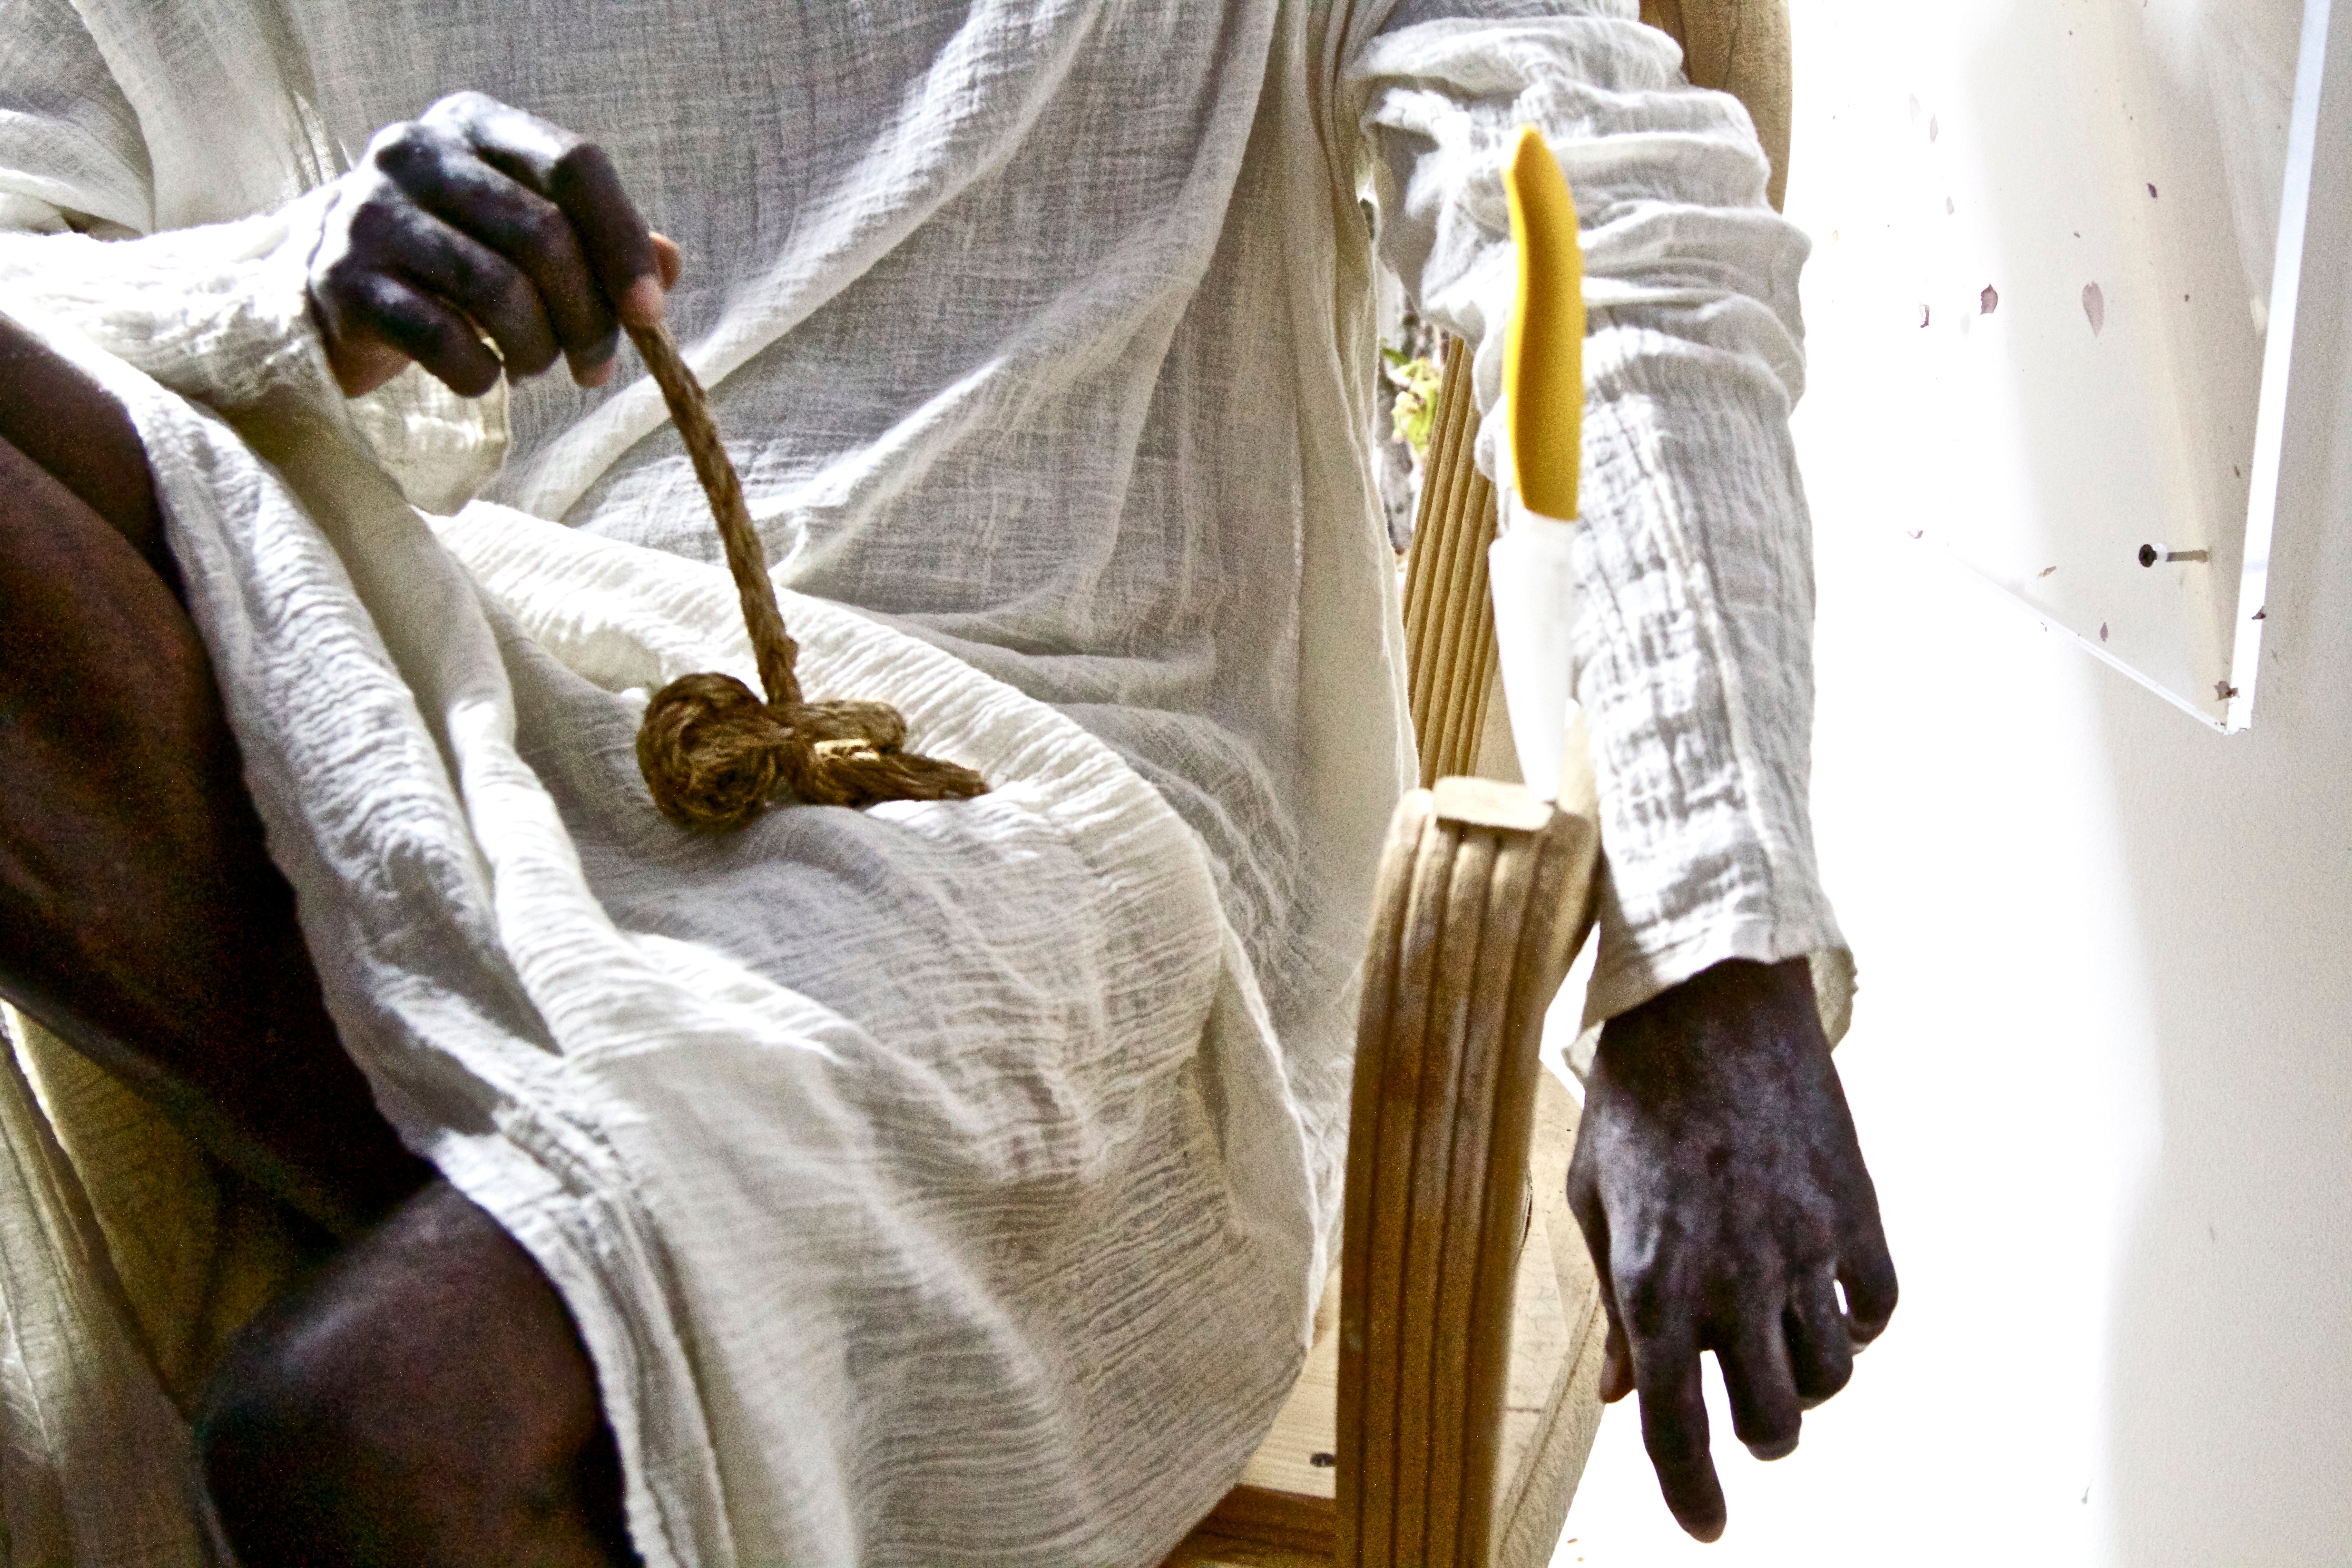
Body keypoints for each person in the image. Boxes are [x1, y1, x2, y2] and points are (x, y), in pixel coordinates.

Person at [0, 0, 1894, 1562]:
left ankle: (540, 1206)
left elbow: (1607, 235)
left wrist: (1705, 943)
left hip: (1024, 824)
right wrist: (292, 281)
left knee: (355, 1427)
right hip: (456, 681)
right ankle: (570, 1195)